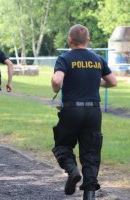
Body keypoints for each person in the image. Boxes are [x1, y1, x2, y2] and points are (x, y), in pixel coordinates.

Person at [51, 24, 117, 200]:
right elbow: (112, 81)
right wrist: (98, 82)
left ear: (69, 40)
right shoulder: (98, 59)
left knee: (63, 145)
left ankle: (72, 171)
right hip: (94, 112)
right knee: (91, 154)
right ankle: (89, 195)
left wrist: (55, 87)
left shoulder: (64, 58)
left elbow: (57, 80)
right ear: (88, 40)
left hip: (72, 110)